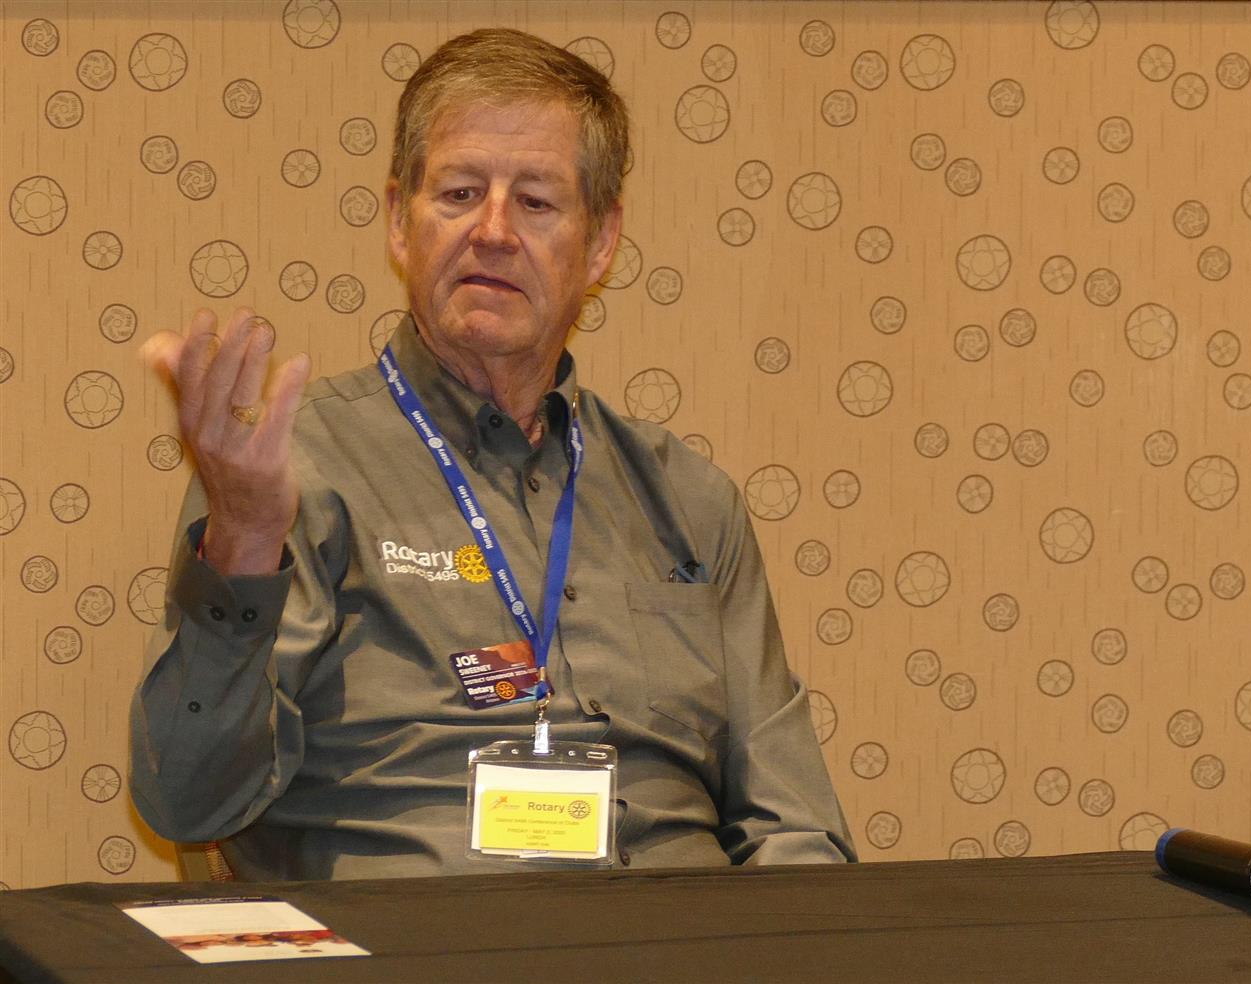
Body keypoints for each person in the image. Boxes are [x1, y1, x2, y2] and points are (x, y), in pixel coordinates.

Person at [130, 28, 853, 879]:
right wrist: (246, 542)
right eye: (461, 192)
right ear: (400, 222)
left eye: (537, 202)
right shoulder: (291, 472)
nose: (494, 230)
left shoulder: (692, 501)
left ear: (602, 242)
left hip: (679, 931)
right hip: (421, 935)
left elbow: (799, 828)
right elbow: (185, 801)